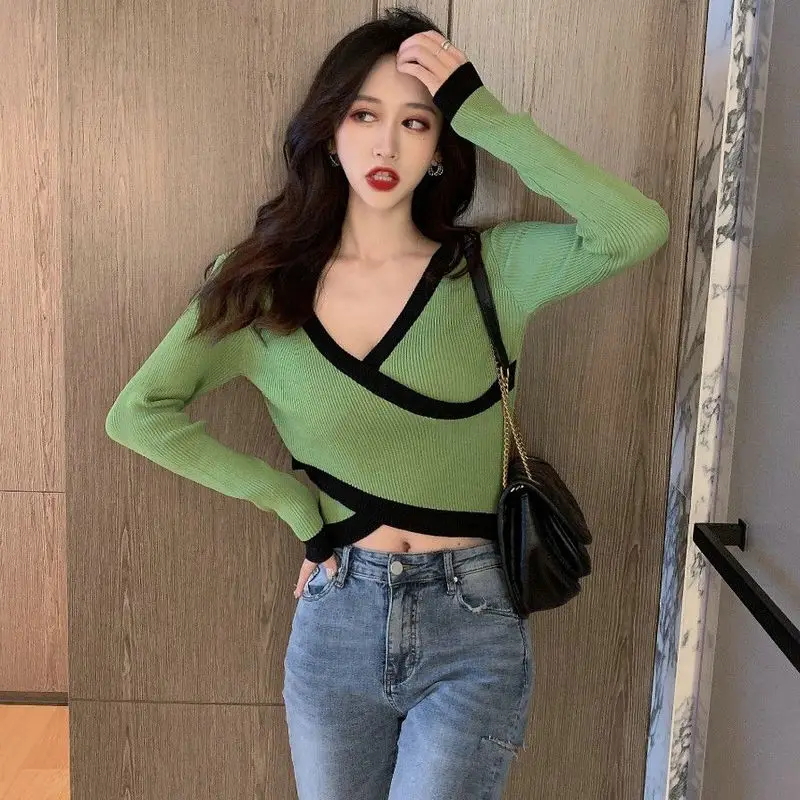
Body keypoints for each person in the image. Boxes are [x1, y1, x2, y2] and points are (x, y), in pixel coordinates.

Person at [105, 7, 669, 799]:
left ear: (440, 149)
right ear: (329, 131)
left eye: (416, 122)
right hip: (337, 616)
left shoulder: (491, 268)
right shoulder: (262, 286)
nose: (386, 145)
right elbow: (139, 414)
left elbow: (634, 229)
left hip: (475, 617)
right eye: (364, 115)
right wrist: (292, 505)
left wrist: (483, 112)